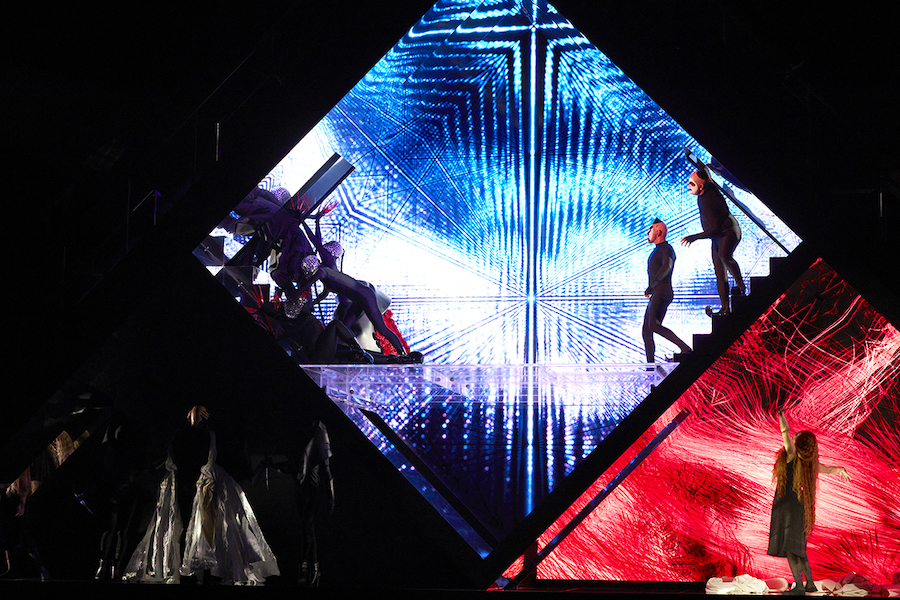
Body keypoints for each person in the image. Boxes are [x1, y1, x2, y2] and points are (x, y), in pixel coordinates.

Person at [767, 411, 850, 595]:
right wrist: (841, 469)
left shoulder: (793, 454)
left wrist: (781, 414)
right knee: (798, 548)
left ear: (800, 442)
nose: (793, 435)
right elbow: (828, 469)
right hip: (797, 506)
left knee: (791, 548)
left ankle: (799, 586)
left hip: (788, 507)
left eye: (796, 435)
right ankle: (810, 584)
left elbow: (784, 431)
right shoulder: (809, 463)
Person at [680, 169, 745, 316]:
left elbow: (715, 228)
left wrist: (695, 237)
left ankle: (741, 287)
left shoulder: (710, 197)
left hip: (728, 232)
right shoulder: (703, 193)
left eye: (692, 184)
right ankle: (725, 308)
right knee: (719, 271)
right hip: (716, 237)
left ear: (701, 187)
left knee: (724, 256)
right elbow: (705, 173)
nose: (688, 186)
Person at [643, 219, 691, 363]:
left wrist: (653, 285)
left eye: (650, 229)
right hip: (656, 292)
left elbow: (667, 266)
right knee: (647, 331)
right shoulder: (657, 250)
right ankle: (650, 366)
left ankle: (686, 349)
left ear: (658, 232)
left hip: (662, 291)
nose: (648, 232)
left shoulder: (666, 249)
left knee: (653, 325)